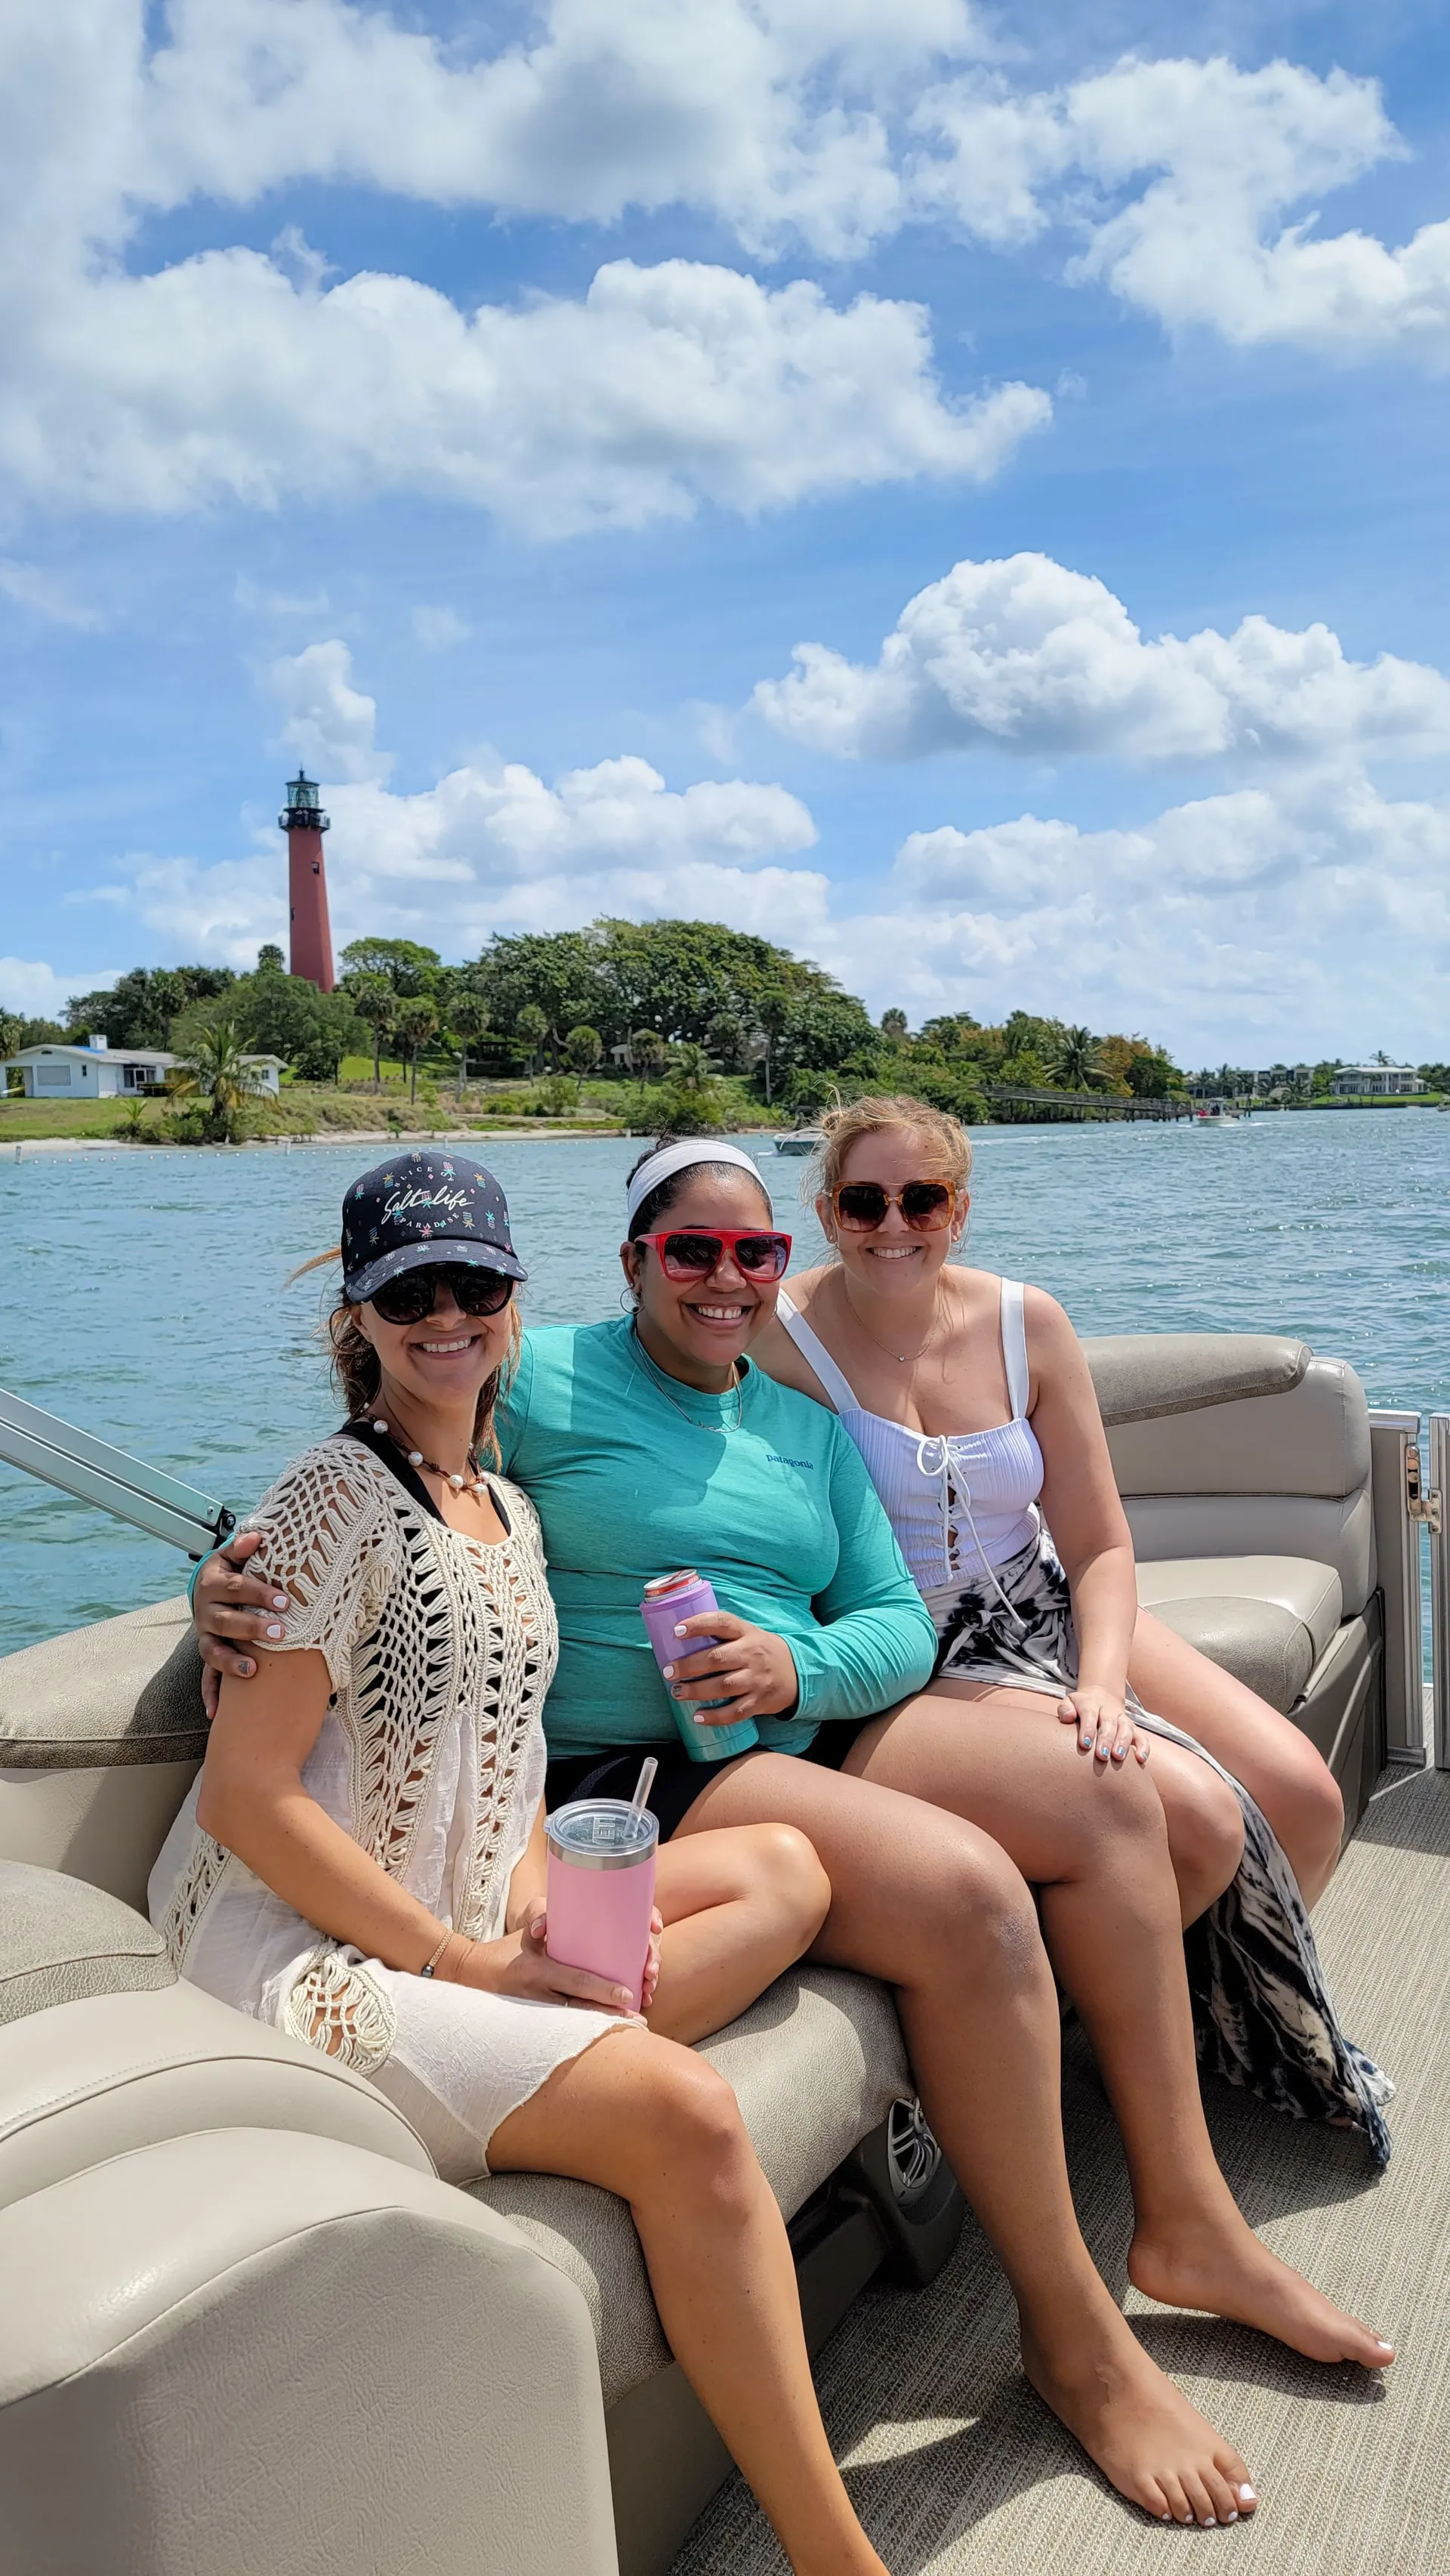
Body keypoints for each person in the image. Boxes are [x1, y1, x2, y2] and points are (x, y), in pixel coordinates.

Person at [194, 1137, 1392, 2529]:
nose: (724, 1277)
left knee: (1116, 1795)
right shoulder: (538, 1374)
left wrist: (791, 1666)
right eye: (687, 1250)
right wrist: (219, 1584)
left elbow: (891, 1625)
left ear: (782, 1266)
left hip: (784, 1730)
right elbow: (366, 1483)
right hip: (626, 1774)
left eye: (754, 1253)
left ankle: (1184, 2216)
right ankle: (1076, 2336)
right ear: (632, 1258)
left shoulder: (804, 1430)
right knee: (974, 1895)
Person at [153, 1151, 896, 2576]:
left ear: (513, 1301)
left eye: (475, 1285)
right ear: (357, 1318)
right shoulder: (328, 1496)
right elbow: (248, 1802)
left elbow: (476, 1766)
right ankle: (836, 2557)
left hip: (460, 1897)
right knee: (684, 2109)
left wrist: (530, 1898)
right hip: (298, 1947)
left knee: (788, 1866)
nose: (446, 1314)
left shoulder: (502, 1501)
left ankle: (550, 2041)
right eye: (407, 1290)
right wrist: (476, 1962)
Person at [749, 1096, 1393, 2164]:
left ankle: (1165, 2016)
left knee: (1302, 1797)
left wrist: (1097, 1682)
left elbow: (1098, 1542)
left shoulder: (1025, 1322)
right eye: (864, 1200)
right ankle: (1112, 2052)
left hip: (1043, 1595)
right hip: (910, 1649)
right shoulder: (779, 1340)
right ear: (826, 1211)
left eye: (923, 1197)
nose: (893, 1222)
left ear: (959, 1207)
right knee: (1192, 1809)